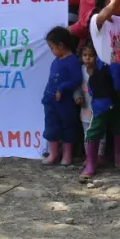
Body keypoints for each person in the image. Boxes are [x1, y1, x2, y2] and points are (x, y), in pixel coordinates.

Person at [82, 0, 120, 180]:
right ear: (106, 1)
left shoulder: (117, 20)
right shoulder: (97, 20)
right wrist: (111, 5)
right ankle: (91, 163)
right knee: (100, 117)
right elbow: (103, 16)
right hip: (103, 75)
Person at [42, 26, 82, 167]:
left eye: (52, 48)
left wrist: (62, 88)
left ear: (61, 45)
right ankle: (53, 153)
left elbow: (76, 79)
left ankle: (67, 155)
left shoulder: (72, 61)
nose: (52, 51)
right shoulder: (56, 61)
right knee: (52, 126)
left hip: (65, 102)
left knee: (68, 126)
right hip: (51, 101)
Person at [78, 41, 106, 162]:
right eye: (85, 55)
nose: (88, 58)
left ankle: (100, 155)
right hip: (85, 107)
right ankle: (89, 156)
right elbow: (77, 86)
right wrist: (77, 96)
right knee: (87, 133)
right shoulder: (81, 70)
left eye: (91, 55)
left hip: (99, 108)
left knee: (101, 132)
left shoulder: (100, 70)